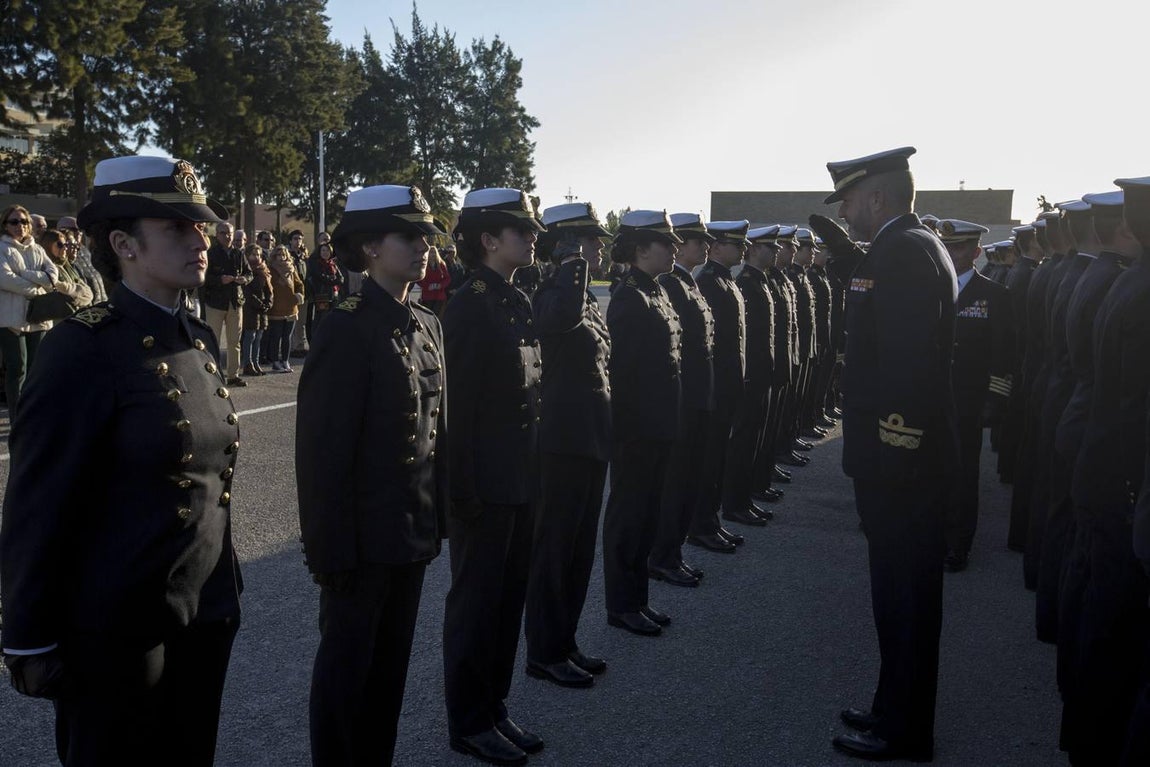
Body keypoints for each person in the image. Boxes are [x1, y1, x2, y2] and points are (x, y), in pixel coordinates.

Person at [0, 155, 243, 766]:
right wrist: (27, 639)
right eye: (177, 230)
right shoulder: (82, 348)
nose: (200, 239)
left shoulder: (197, 337)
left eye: (200, 226)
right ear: (122, 244)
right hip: (118, 627)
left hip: (202, 609)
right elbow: (37, 501)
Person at [811, 146, 958, 762]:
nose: (843, 211)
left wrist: (894, 452)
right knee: (896, 596)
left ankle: (904, 729)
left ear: (876, 197)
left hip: (902, 463)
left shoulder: (903, 253)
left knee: (905, 597)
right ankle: (890, 704)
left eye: (848, 199)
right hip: (902, 460)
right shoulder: (909, 246)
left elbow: (905, 370)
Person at [296, 185, 448, 767]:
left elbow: (438, 433)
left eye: (426, 235)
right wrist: (329, 551)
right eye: (408, 236)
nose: (423, 246)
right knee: (346, 677)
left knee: (389, 675)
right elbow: (322, 454)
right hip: (361, 543)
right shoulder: (345, 328)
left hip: (410, 532)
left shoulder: (427, 323)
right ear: (368, 246)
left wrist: (440, 518)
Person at [441, 188, 545, 767]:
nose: (531, 238)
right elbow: (457, 413)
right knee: (476, 606)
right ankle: (468, 719)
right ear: (488, 240)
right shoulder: (470, 307)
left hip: (520, 477)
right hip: (484, 488)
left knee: (508, 601)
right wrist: (464, 494)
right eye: (520, 230)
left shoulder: (515, 299)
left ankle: (494, 705)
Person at [522, 202, 612, 689]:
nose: (600, 247)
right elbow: (557, 322)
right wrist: (571, 266)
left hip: (589, 437)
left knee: (578, 551)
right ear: (566, 246)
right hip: (560, 443)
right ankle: (543, 650)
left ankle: (566, 640)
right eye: (589, 240)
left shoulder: (586, 298)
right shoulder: (550, 293)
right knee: (555, 551)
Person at [602, 210, 682, 636]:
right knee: (628, 518)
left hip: (658, 424)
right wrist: (630, 431)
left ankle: (638, 599)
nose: (673, 249)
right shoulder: (628, 297)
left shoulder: (656, 291)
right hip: (637, 429)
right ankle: (621, 604)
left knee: (648, 515)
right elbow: (624, 374)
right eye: (664, 243)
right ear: (640, 250)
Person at [936, 219, 1012, 573]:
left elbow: (1005, 354)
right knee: (928, 470)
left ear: (976, 252)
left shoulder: (994, 294)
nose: (951, 254)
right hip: (929, 396)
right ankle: (931, 535)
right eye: (947, 247)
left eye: (960, 247)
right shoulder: (928, 288)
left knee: (964, 474)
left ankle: (958, 543)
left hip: (968, 400)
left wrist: (995, 400)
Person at [648, 212, 715, 587]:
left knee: (689, 478)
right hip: (682, 398)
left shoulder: (688, 283)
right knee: (675, 483)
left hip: (695, 396)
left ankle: (673, 552)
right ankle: (663, 555)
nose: (700, 246)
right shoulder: (672, 285)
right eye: (695, 241)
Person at [0, 204, 59, 416]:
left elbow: (53, 276)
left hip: (39, 317)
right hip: (11, 318)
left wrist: (25, 273)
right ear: (5, 225)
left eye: (24, 222)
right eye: (14, 222)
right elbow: (5, 279)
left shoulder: (38, 248)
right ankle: (17, 417)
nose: (20, 226)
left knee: (37, 369)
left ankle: (33, 414)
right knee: (17, 369)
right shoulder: (2, 248)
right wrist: (37, 286)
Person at [203, 220, 252, 386]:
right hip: (215, 302)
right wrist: (219, 280)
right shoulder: (211, 254)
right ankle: (213, 374)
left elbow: (249, 273)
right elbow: (203, 278)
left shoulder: (239, 253)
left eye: (229, 233)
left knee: (234, 341)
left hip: (235, 302)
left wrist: (245, 279)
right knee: (213, 341)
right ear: (217, 235)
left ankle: (233, 375)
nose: (227, 236)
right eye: (223, 233)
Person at [267, 245, 305, 373]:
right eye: (278, 255)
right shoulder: (270, 269)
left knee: (287, 337)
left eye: (283, 255)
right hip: (276, 308)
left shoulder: (291, 268)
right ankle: (275, 362)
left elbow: (299, 284)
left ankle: (285, 360)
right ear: (274, 256)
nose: (281, 257)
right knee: (276, 336)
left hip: (291, 307)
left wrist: (299, 295)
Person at [38, 228, 94, 311]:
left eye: (66, 245)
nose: (65, 248)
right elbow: (59, 295)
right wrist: (77, 293)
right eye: (60, 245)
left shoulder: (67, 266)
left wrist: (74, 296)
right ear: (48, 246)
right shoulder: (44, 268)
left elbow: (89, 293)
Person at [240, 243, 272, 377]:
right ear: (247, 255)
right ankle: (248, 363)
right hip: (250, 308)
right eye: (253, 254)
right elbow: (247, 291)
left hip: (262, 308)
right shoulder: (246, 270)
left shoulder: (263, 270)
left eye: (258, 254)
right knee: (250, 336)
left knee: (258, 337)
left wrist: (268, 302)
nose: (256, 257)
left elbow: (269, 289)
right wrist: (259, 303)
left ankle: (256, 362)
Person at [305, 242, 344, 335]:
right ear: (319, 251)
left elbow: (341, 278)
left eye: (327, 250)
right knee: (321, 319)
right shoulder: (315, 263)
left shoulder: (332, 263)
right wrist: (333, 279)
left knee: (331, 319)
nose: (325, 253)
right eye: (323, 250)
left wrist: (332, 279)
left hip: (333, 294)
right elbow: (321, 277)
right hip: (321, 295)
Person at [416, 245, 451, 316]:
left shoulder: (441, 264)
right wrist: (427, 286)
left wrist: (440, 285)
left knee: (438, 317)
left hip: (439, 296)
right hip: (427, 296)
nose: (433, 254)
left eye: (434, 252)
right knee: (427, 317)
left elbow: (447, 278)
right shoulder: (423, 264)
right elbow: (419, 279)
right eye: (431, 252)